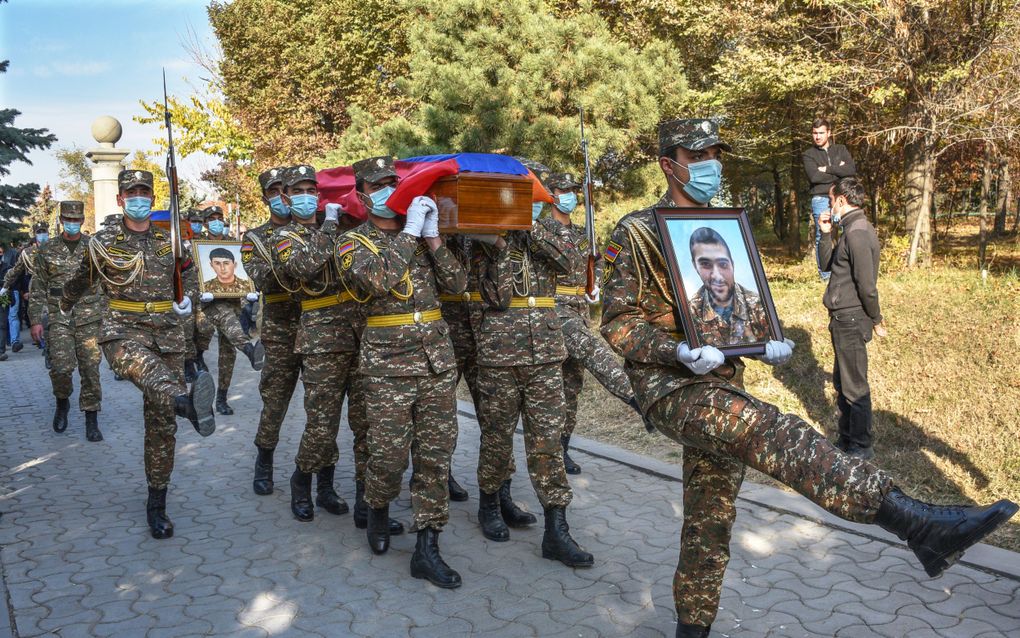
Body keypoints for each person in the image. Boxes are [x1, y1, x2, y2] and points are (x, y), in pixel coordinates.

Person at [600, 118, 1018, 638]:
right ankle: (913, 522)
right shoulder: (637, 232)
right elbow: (617, 323)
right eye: (698, 155)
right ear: (669, 164)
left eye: (716, 155)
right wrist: (677, 350)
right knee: (773, 431)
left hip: (724, 380)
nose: (711, 165)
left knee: (710, 521)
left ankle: (693, 629)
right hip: (673, 387)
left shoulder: (727, 224)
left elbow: (741, 308)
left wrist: (760, 340)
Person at [60, 169, 218, 540]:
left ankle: (157, 503)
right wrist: (64, 304)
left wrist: (187, 299)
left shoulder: (171, 241)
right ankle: (187, 402)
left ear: (153, 196)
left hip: (168, 333)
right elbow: (82, 278)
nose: (139, 197)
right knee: (147, 371)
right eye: (131, 192)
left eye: (144, 191)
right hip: (122, 330)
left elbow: (192, 276)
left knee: (162, 425)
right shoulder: (102, 242)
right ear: (120, 200)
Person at [338, 155, 465, 588]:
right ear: (361, 194)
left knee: (435, 457)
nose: (389, 190)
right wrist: (410, 233)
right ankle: (377, 508)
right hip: (387, 366)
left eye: (394, 181)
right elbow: (376, 281)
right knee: (388, 456)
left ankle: (428, 547)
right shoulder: (351, 243)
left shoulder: (422, 235)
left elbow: (458, 284)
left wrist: (432, 239)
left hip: (434, 361)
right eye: (378, 185)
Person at [471, 166, 594, 568]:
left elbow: (566, 261)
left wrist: (529, 227)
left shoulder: (547, 233)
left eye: (524, 196)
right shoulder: (484, 238)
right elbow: (499, 295)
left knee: (546, 442)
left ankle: (556, 529)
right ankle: (491, 502)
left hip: (544, 353)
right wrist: (501, 242)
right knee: (497, 437)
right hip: (499, 355)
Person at [269, 164, 359, 524]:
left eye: (313, 190)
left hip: (356, 332)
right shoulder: (285, 236)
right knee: (322, 422)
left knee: (362, 420)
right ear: (287, 197)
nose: (308, 196)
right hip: (321, 337)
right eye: (300, 191)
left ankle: (328, 487)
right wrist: (330, 226)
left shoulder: (337, 229)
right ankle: (301, 481)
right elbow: (303, 268)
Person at [541, 171, 640, 475]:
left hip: (579, 309)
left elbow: (596, 261)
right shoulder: (541, 229)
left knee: (571, 386)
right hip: (554, 310)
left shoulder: (584, 232)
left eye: (573, 189)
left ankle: (562, 449)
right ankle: (636, 398)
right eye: (563, 189)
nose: (569, 194)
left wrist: (594, 282)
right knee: (593, 351)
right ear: (551, 193)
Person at [241, 167, 304, 497]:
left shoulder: (313, 229)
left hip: (316, 326)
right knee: (275, 402)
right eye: (274, 190)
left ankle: (318, 472)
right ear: (265, 197)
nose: (281, 195)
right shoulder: (254, 238)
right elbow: (264, 278)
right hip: (280, 329)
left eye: (286, 189)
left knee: (324, 406)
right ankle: (264, 460)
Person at [818, 177, 886, 459]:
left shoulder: (858, 233)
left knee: (855, 386)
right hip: (842, 317)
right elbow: (826, 265)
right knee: (842, 382)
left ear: (842, 201)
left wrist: (876, 318)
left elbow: (867, 285)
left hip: (852, 318)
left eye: (832, 201)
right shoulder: (848, 230)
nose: (830, 206)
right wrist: (824, 234)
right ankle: (846, 441)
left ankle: (861, 447)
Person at [28, 201, 105, 440]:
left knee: (90, 370)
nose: (72, 223)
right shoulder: (47, 249)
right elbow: (38, 286)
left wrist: (109, 315)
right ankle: (62, 402)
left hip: (89, 317)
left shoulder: (94, 247)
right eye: (68, 219)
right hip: (59, 318)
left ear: (82, 221)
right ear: (61, 220)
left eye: (76, 219)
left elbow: (105, 282)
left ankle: (91, 419)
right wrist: (34, 320)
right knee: (61, 368)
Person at [196, 204, 264, 415]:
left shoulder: (233, 245)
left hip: (234, 301)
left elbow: (244, 271)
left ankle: (222, 399)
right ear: (206, 223)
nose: (217, 221)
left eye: (219, 217)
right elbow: (188, 276)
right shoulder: (197, 247)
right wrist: (199, 291)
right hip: (212, 304)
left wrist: (250, 290)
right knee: (231, 325)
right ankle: (251, 351)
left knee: (227, 354)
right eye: (212, 218)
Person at [687, 227, 770, 346]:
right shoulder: (691, 311)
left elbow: (770, 338)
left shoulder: (757, 303)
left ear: (732, 264)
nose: (717, 276)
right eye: (705, 264)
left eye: (723, 264)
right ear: (695, 266)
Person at [803, 118, 856, 281]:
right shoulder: (808, 154)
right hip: (821, 198)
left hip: (841, 198)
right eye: (814, 133)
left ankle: (847, 271)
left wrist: (827, 169)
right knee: (823, 234)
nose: (817, 136)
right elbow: (814, 176)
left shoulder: (840, 149)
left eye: (821, 133)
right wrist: (839, 171)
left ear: (829, 133)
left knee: (847, 232)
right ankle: (826, 275)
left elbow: (851, 170)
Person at [1, 224, 48, 353]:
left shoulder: (57, 248)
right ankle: (45, 344)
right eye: (40, 232)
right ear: (35, 234)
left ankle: (50, 347)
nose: (42, 234)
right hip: (37, 290)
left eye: (44, 232)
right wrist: (5, 286)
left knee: (53, 319)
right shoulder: (27, 253)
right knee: (40, 318)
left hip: (55, 289)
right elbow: (16, 270)